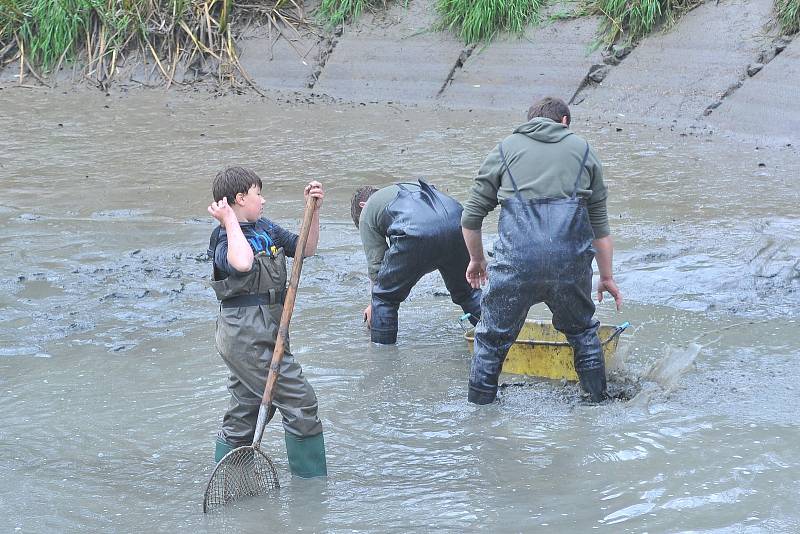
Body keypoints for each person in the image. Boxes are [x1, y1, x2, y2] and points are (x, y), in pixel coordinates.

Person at [461, 97, 622, 404]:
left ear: (531, 120)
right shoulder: (584, 151)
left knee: (491, 340)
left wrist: (477, 260)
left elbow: (470, 218)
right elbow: (600, 227)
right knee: (583, 333)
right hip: (569, 264)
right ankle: (598, 406)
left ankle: (479, 419)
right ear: (564, 122)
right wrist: (606, 276)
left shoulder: (505, 149)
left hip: (516, 264)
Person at [207, 166, 327, 478]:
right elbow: (243, 263)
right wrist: (230, 221)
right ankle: (312, 490)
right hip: (245, 336)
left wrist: (312, 211)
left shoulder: (266, 229)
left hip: (268, 331)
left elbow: (306, 249)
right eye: (258, 194)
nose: (263, 200)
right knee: (301, 401)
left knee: (245, 409)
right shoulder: (224, 238)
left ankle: (231, 477)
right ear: (239, 198)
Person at [351, 179, 482, 344]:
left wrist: (375, 307)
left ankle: (382, 361)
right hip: (458, 221)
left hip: (417, 231)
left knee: (385, 299)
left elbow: (377, 268)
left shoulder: (368, 210)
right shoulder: (402, 189)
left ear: (362, 205)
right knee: (468, 293)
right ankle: (502, 336)